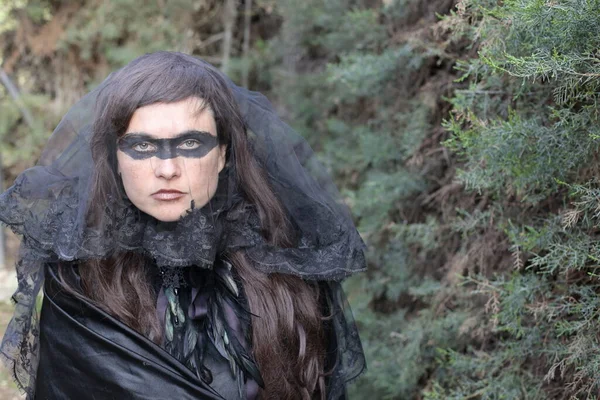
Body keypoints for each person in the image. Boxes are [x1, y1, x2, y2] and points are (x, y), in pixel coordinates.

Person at [0, 51, 366, 400]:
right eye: (142, 147)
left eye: (190, 143)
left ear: (223, 153)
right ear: (115, 157)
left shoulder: (286, 258)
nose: (167, 168)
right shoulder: (78, 273)